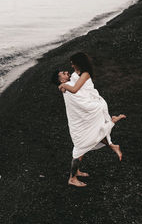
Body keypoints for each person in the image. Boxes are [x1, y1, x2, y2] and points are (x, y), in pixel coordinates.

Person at [54, 52, 126, 187]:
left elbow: (74, 89)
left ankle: (73, 177)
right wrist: (63, 85)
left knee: (86, 139)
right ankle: (111, 143)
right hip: (80, 115)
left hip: (89, 107)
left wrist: (64, 85)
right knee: (86, 139)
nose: (70, 65)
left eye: (72, 62)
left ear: (78, 62)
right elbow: (70, 87)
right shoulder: (75, 74)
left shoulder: (85, 73)